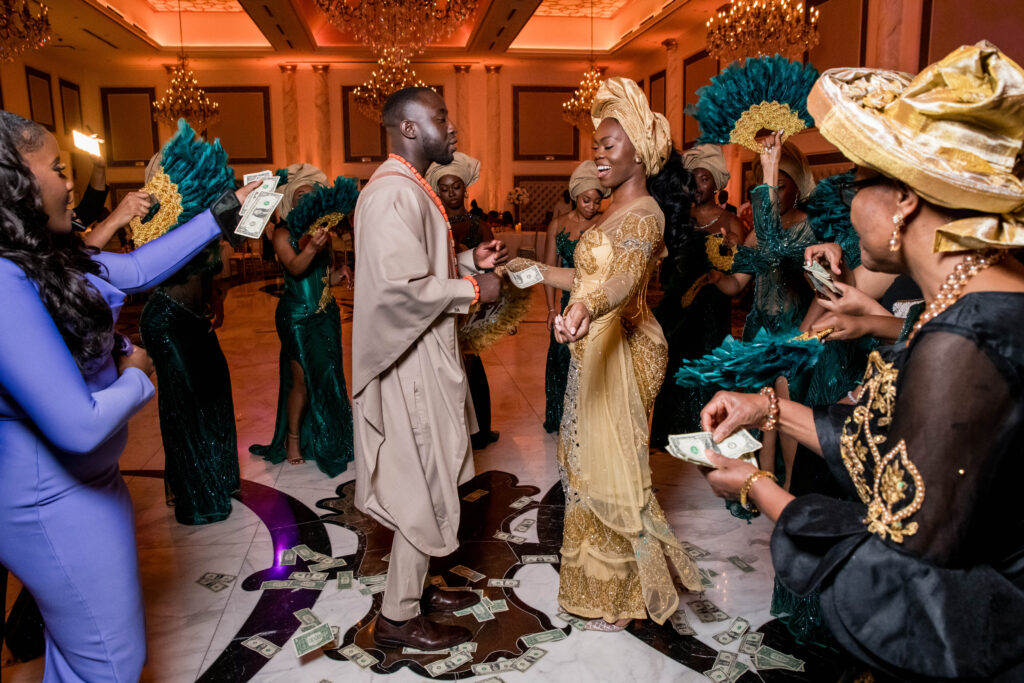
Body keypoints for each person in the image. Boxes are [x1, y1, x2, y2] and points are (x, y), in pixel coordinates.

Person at [699, 42, 1024, 681]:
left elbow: (899, 572)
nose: (845, 204)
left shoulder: (965, 341)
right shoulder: (969, 297)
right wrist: (769, 407)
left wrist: (758, 488)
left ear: (903, 198)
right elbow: (894, 452)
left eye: (854, 182)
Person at [0, 110, 251, 682]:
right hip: (49, 501)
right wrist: (136, 372)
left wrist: (222, 211)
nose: (70, 183)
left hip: (86, 487)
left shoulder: (42, 258)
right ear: (14, 182)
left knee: (79, 659)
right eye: (57, 169)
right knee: (112, 665)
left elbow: (135, 268)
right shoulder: (2, 280)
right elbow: (79, 425)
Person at [508, 77, 702, 629]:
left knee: (614, 467)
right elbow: (590, 274)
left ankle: (624, 593)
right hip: (595, 342)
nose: (597, 153)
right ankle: (596, 585)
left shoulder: (644, 215)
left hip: (626, 347)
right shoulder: (613, 211)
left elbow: (623, 280)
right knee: (589, 464)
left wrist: (588, 308)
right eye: (595, 145)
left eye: (609, 144)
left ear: (638, 152)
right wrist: (538, 271)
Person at [351, 86, 508, 650]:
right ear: (410, 129)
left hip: (424, 353)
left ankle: (414, 589)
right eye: (442, 117)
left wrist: (468, 260)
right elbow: (398, 291)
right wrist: (473, 286)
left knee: (431, 473)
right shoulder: (392, 193)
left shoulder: (412, 189)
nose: (454, 127)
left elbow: (418, 269)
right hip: (408, 362)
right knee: (419, 480)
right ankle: (397, 617)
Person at [139, 123, 241, 525]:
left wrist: (215, 297)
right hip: (166, 320)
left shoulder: (206, 216)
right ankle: (195, 496)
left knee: (215, 393)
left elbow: (214, 266)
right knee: (184, 408)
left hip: (197, 319)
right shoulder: (159, 216)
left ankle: (214, 478)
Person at [712, 135, 818, 485]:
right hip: (757, 331)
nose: (771, 192)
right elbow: (736, 286)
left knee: (785, 414)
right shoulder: (756, 235)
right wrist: (714, 271)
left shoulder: (810, 229)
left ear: (797, 187)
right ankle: (761, 482)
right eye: (765, 186)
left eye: (780, 185)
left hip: (794, 331)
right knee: (760, 414)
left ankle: (789, 489)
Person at [249, 166, 357, 475]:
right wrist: (312, 247)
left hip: (326, 315)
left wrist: (339, 274)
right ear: (290, 201)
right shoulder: (284, 233)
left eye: (311, 194)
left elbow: (320, 277)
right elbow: (296, 268)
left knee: (330, 377)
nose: (306, 199)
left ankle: (330, 435)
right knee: (302, 382)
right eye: (300, 195)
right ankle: (293, 440)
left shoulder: (323, 229)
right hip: (296, 316)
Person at [650, 144, 742, 446]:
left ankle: (709, 431)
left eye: (703, 179)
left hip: (713, 307)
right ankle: (672, 435)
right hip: (678, 306)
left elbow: (739, 272)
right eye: (692, 179)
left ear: (715, 183)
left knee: (709, 364)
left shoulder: (730, 223)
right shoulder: (678, 218)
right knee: (676, 364)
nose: (696, 186)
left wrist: (729, 248)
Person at [426, 152, 499, 450]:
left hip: (471, 301)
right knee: (449, 363)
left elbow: (492, 267)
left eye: (456, 186)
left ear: (465, 189)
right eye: (444, 188)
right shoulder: (433, 222)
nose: (451, 193)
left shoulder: (477, 225)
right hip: (443, 299)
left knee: (469, 361)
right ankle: (458, 431)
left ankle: (476, 430)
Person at [541, 160, 608, 433]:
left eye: (597, 201)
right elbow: (547, 270)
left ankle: (589, 420)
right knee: (561, 359)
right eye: (586, 200)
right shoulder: (558, 225)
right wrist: (549, 309)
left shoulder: (605, 223)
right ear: (574, 196)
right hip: (566, 304)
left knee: (593, 362)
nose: (592, 206)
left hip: (596, 303)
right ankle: (560, 416)